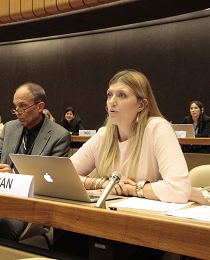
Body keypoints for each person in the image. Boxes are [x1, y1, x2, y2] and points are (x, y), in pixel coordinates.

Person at [70, 70, 209, 205]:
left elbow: (178, 189)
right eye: (109, 95)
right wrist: (103, 183)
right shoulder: (103, 135)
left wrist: (130, 188)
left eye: (122, 95)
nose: (111, 102)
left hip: (154, 219)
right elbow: (62, 176)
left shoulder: (157, 129)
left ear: (141, 105)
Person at [0, 82, 71, 240]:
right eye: (15, 107)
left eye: (22, 107)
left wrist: (16, 178)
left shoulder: (59, 135)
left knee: (4, 229)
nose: (18, 112)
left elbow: (50, 184)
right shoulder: (10, 128)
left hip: (28, 207)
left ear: (40, 106)